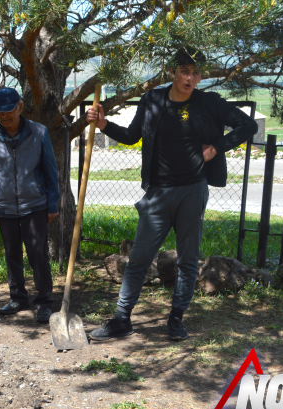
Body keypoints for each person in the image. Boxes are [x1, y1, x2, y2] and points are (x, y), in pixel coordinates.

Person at [86, 47, 258, 341]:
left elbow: (248, 124)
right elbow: (131, 136)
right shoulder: (153, 100)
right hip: (158, 192)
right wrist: (103, 125)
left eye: (195, 73)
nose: (190, 78)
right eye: (184, 71)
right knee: (139, 258)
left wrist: (216, 146)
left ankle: (176, 319)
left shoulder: (209, 103)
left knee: (188, 260)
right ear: (171, 72)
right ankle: (121, 319)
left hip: (193, 190)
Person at [0, 87, 60, 324]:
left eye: (8, 111)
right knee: (12, 254)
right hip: (3, 207)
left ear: (20, 107)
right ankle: (18, 298)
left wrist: (52, 204)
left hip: (35, 204)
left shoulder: (39, 132)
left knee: (38, 254)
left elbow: (51, 172)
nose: (3, 116)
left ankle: (44, 301)